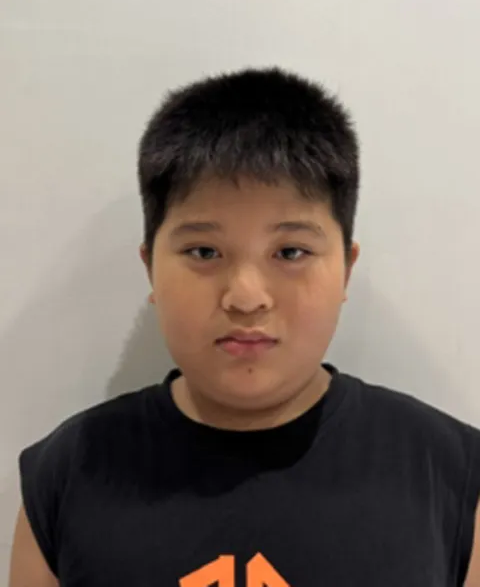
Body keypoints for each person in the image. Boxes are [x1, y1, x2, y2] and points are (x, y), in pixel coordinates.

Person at [8, 68, 480, 587]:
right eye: (204, 252)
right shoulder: (64, 476)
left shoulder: (452, 476)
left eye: (291, 252)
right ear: (150, 268)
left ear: (346, 269)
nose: (247, 297)